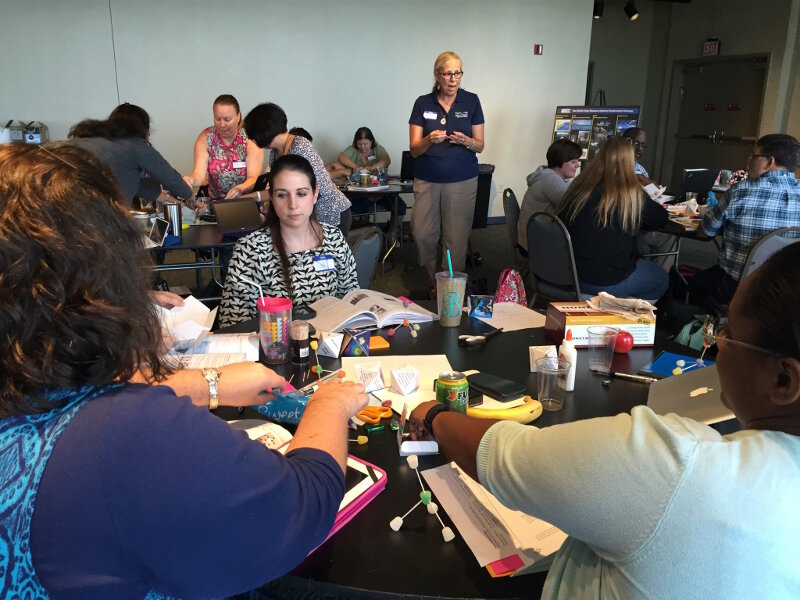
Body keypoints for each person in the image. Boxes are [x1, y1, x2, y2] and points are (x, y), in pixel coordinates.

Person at [0, 142, 369, 598]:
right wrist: (330, 405)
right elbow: (299, 507)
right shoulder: (130, 433)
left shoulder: (31, 384)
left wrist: (207, 383)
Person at [410, 241, 800, 598]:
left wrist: (434, 412)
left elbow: (501, 457)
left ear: (784, 380)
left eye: (728, 331)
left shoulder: (680, 464)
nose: (716, 344)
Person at [219, 154, 358, 327]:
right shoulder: (250, 250)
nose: (293, 204)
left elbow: (350, 300)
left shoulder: (333, 238)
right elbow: (233, 325)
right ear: (272, 198)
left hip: (330, 345)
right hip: (273, 349)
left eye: (301, 193)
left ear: (314, 194)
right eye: (282, 195)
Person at [691, 133, 800, 305]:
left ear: (769, 162)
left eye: (754, 155)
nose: (748, 160)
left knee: (696, 283)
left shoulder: (741, 191)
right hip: (786, 291)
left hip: (738, 287)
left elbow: (705, 233)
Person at [556, 136, 669, 300]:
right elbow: (660, 218)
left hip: (566, 274)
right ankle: (623, 315)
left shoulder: (578, 186)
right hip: (604, 279)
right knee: (661, 279)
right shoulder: (629, 194)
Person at [409, 50, 485, 289]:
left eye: (458, 73)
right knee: (422, 234)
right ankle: (434, 280)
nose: (453, 79)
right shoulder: (423, 103)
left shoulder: (471, 101)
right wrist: (429, 139)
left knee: (455, 238)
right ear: (437, 75)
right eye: (448, 73)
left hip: (462, 179)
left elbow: (480, 145)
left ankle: (449, 286)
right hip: (427, 178)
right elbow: (414, 149)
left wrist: (467, 141)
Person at [244, 103, 352, 233]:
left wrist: (251, 197)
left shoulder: (300, 147)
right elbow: (279, 189)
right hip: (310, 216)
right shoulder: (274, 153)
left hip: (331, 213)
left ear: (262, 132)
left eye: (253, 136)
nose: (252, 141)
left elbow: (302, 189)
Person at [68, 103, 192, 206]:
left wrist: (177, 203)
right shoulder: (136, 146)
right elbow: (169, 177)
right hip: (94, 213)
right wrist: (192, 197)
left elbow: (137, 185)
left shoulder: (91, 142)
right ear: (144, 129)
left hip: (63, 206)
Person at [183, 94, 264, 200]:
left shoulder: (250, 139)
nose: (222, 124)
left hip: (244, 200)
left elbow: (253, 178)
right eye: (217, 119)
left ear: (238, 116)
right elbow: (199, 174)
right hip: (215, 202)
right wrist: (191, 180)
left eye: (227, 119)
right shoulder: (206, 137)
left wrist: (240, 188)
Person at [621, 126, 678, 271]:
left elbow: (656, 193)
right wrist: (639, 178)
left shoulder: (641, 169)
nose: (640, 149)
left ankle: (656, 273)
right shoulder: (620, 167)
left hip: (642, 217)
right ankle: (658, 278)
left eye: (643, 145)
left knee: (668, 235)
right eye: (636, 143)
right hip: (628, 225)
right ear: (626, 142)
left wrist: (646, 181)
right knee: (665, 234)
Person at [337, 127, 407, 239]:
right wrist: (355, 166)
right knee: (348, 209)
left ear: (371, 142)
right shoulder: (353, 150)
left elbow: (386, 160)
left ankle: (391, 233)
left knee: (401, 208)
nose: (363, 147)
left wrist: (371, 167)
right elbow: (341, 157)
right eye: (359, 144)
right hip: (361, 195)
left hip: (381, 193)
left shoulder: (378, 150)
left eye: (366, 143)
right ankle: (358, 237)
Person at [517, 138, 581, 251]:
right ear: (559, 161)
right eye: (573, 162)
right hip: (534, 246)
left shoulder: (550, 175)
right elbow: (574, 208)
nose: (578, 165)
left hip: (529, 238)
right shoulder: (551, 180)